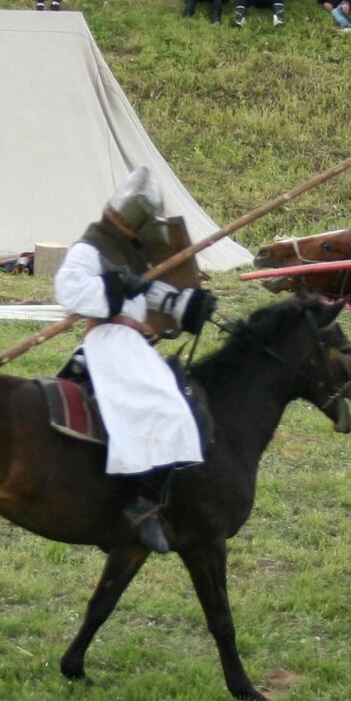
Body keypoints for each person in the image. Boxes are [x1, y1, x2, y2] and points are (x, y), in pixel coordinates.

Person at [53, 168, 217, 554]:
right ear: (129, 221)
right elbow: (69, 289)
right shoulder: (89, 250)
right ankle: (142, 505)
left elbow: (156, 293)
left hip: (134, 342)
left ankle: (156, 498)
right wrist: (117, 285)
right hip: (110, 340)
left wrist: (190, 304)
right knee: (161, 408)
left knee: (180, 402)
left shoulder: (130, 253)